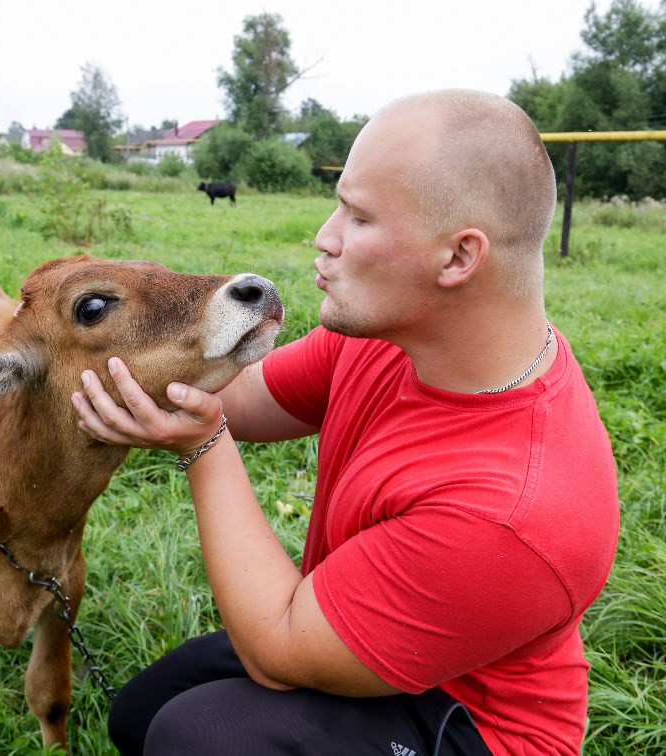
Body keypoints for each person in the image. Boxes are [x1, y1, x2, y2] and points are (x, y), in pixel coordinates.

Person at [71, 89, 620, 755]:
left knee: (200, 739)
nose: (323, 238)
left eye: (357, 218)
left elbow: (277, 645)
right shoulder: (394, 337)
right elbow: (245, 401)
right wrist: (95, 357)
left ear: (457, 258)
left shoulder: (514, 507)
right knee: (141, 714)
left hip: (475, 723)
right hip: (381, 633)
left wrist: (204, 446)